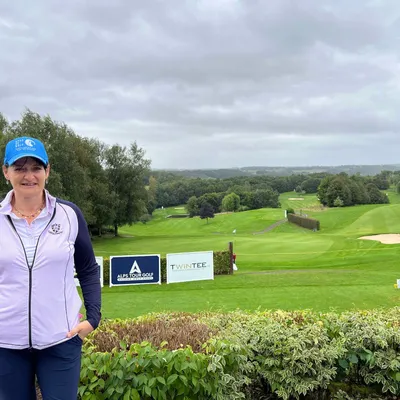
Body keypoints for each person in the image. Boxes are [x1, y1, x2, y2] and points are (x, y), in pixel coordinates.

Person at [0, 136, 102, 399]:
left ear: (47, 171)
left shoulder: (69, 215)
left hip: (61, 339)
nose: (28, 175)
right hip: (5, 344)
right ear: (6, 172)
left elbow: (88, 268)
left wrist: (93, 318)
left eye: (35, 167)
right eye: (19, 167)